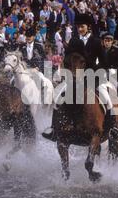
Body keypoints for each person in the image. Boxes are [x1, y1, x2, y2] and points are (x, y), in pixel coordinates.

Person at [43, 13, 105, 141]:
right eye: (78, 27)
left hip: (92, 76)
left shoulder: (96, 42)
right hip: (74, 77)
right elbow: (67, 58)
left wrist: (95, 70)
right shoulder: (73, 40)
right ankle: (53, 128)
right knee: (58, 96)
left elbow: (103, 62)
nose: (80, 29)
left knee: (107, 98)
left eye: (82, 27)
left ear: (88, 27)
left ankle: (112, 126)